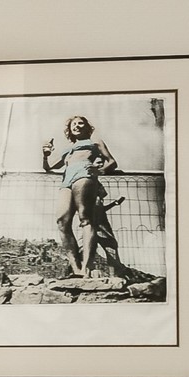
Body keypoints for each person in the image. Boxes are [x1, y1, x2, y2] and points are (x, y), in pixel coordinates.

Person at [43, 115, 119, 277]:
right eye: (73, 124)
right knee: (62, 221)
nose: (77, 126)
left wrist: (100, 171)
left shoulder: (94, 142)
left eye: (80, 123)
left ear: (86, 127)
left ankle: (87, 267)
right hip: (66, 180)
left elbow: (112, 162)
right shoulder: (67, 149)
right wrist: (46, 154)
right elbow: (48, 168)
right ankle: (76, 268)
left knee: (86, 219)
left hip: (83, 174)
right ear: (69, 130)